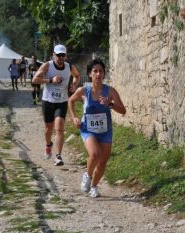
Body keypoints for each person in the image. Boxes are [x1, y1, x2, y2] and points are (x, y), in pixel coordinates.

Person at [68, 58, 126, 198]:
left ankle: (94, 186)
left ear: (104, 74)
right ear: (90, 74)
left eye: (101, 71)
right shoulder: (84, 90)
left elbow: (123, 110)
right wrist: (74, 117)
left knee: (102, 162)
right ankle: (87, 176)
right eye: (95, 71)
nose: (98, 74)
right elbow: (70, 101)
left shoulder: (110, 91)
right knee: (95, 154)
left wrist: (110, 104)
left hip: (105, 131)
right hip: (88, 129)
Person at [32, 44, 80, 166]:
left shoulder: (69, 67)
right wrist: (50, 80)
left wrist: (74, 85)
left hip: (62, 102)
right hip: (48, 101)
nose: (60, 57)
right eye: (58, 55)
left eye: (63, 55)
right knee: (48, 128)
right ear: (53, 55)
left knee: (59, 128)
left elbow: (77, 76)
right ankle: (48, 145)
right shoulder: (47, 65)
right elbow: (34, 80)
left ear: (66, 56)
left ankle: (58, 156)